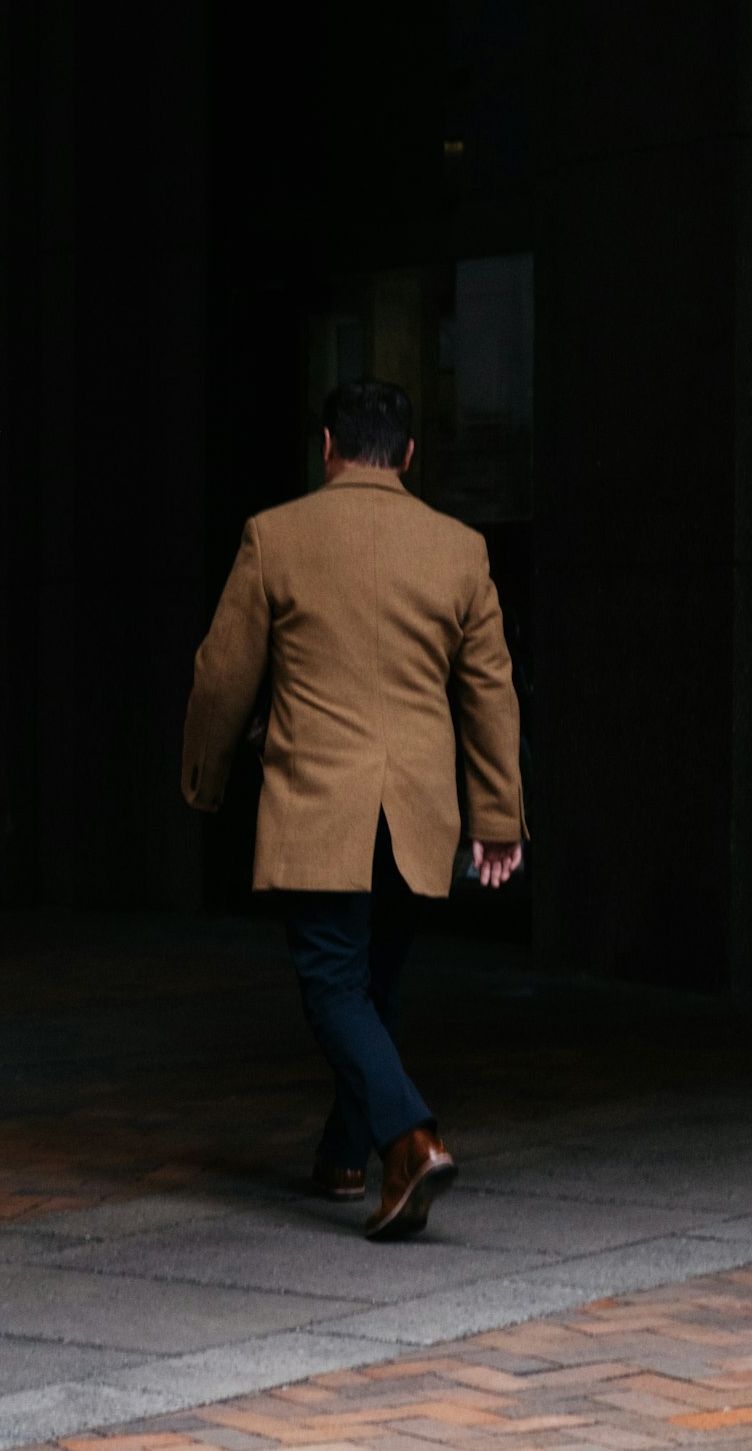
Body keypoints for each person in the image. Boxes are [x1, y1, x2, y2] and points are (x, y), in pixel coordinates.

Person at [181, 379, 526, 1240]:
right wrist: (497, 816)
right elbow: (491, 693)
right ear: (409, 457)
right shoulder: (460, 548)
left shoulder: (277, 535)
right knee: (376, 984)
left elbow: (222, 675)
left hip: (320, 803)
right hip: (420, 811)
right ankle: (344, 1155)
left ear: (326, 447)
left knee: (334, 985)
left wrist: (206, 777)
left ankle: (410, 1141)